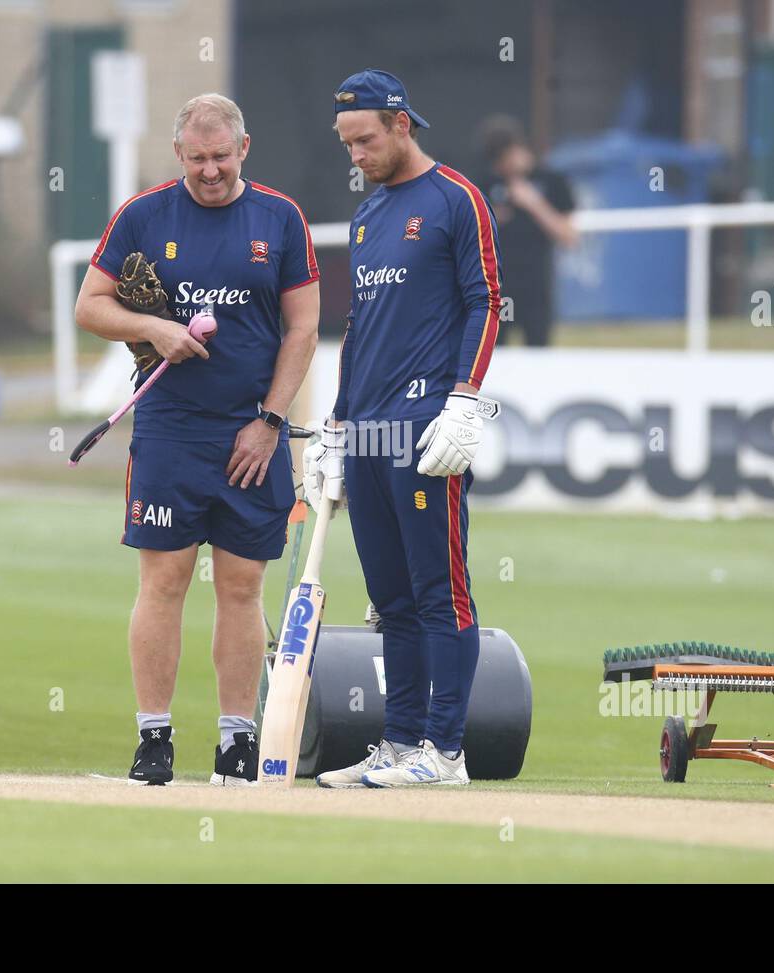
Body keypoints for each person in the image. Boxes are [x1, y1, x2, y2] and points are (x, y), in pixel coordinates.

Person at [74, 93, 320, 786]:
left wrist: (270, 422)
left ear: (245, 148)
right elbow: (89, 304)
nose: (210, 171)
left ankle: (236, 743)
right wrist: (152, 329)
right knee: (165, 580)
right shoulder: (143, 216)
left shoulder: (280, 217)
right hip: (171, 432)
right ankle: (154, 739)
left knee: (242, 587)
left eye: (221, 157)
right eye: (196, 158)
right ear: (177, 154)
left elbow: (302, 329)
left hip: (253, 434)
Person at [304, 69, 501, 788]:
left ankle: (445, 752)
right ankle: (400, 741)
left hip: (426, 428)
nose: (355, 155)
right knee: (390, 601)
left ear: (400, 124)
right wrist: (334, 424)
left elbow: (485, 302)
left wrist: (464, 398)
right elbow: (359, 330)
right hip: (367, 433)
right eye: (347, 144)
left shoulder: (457, 199)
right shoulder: (366, 218)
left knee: (437, 592)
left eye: (364, 140)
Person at [475, 114, 575, 347]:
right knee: (492, 361)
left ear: (518, 148)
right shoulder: (486, 183)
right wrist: (492, 220)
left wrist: (534, 204)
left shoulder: (552, 180)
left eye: (505, 158)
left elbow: (569, 236)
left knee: (539, 364)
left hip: (537, 290)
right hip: (495, 292)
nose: (501, 167)